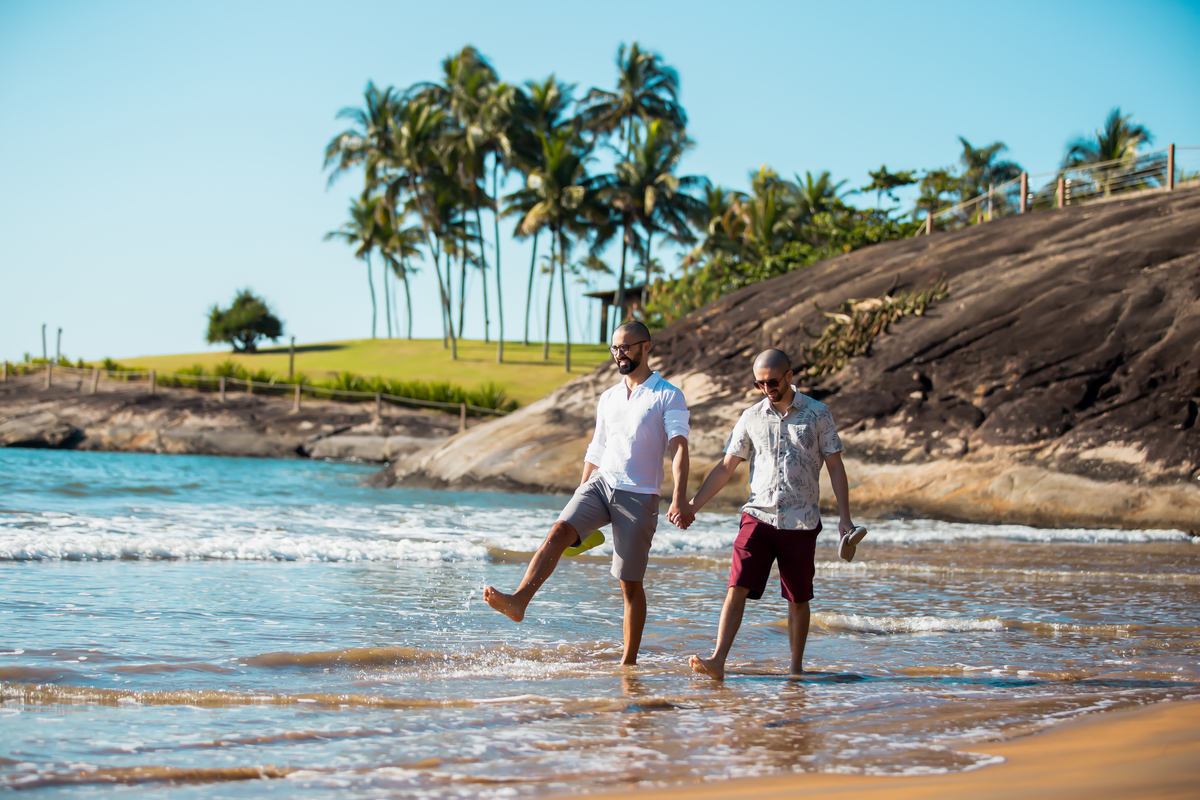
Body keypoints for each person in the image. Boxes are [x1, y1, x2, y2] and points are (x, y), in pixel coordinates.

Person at [484, 321, 694, 665]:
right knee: (558, 531)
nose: (619, 354)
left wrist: (679, 497)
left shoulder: (667, 394)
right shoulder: (608, 397)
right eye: (614, 348)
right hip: (601, 483)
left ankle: (628, 663)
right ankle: (519, 600)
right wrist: (581, 491)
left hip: (639, 495)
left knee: (630, 585)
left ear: (646, 347)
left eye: (626, 347)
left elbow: (679, 447)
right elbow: (597, 448)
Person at [685, 349, 863, 680]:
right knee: (736, 584)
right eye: (760, 383)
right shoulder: (751, 416)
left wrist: (845, 518)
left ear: (789, 376)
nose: (767, 388)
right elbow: (726, 467)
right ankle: (718, 659)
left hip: (801, 520)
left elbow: (836, 467)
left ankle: (795, 669)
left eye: (772, 381)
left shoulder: (817, 413)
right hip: (758, 515)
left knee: (797, 596)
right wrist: (692, 506)